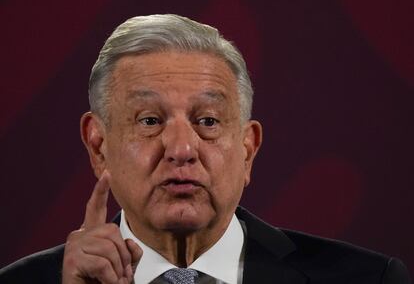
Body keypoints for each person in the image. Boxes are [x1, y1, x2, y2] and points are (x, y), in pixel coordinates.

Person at [0, 14, 411, 284]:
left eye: (208, 122)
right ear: (98, 145)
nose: (181, 149)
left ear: (248, 149)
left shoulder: (369, 278)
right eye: (149, 121)